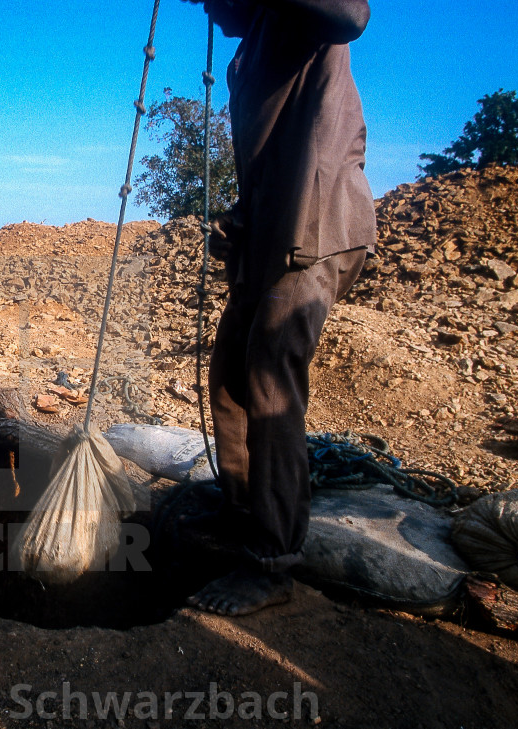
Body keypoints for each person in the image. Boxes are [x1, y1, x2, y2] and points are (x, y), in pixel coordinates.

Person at [186, 0, 376, 616]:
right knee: (232, 369)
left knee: (270, 372)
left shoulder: (301, 17)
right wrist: (241, 220)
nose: (211, 13)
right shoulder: (255, 47)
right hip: (271, 231)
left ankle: (271, 562)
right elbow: (269, 156)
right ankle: (244, 511)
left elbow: (352, 15)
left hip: (314, 223)